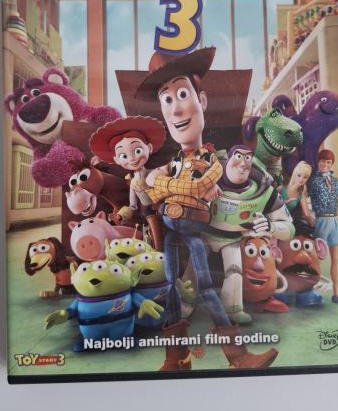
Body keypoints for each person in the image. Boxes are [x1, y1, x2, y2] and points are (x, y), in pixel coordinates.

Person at [137, 47, 278, 371]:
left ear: (201, 101)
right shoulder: (173, 162)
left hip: (194, 232)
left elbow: (199, 185)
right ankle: (176, 357)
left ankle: (238, 356)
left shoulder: (212, 160)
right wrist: (164, 185)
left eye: (181, 94)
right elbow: (152, 190)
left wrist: (166, 185)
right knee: (171, 288)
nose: (175, 108)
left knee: (206, 287)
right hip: (171, 233)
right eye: (166, 99)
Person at [202, 145, 294, 324]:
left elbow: (289, 228)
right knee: (194, 270)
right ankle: (185, 303)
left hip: (233, 239)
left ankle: (233, 309)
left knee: (235, 273)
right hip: (203, 234)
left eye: (247, 158)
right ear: (227, 159)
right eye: (238, 156)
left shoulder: (265, 192)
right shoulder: (205, 178)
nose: (243, 164)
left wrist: (271, 226)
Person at [89, 116, 166, 249]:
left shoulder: (155, 173)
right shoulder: (132, 182)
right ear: (116, 159)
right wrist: (121, 215)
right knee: (150, 236)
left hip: (161, 210)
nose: (131, 159)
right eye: (123, 156)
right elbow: (132, 206)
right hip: (146, 216)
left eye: (137, 151)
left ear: (149, 147)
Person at [307, 149, 338, 303]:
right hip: (321, 220)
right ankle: (311, 292)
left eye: (328, 162)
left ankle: (337, 294)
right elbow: (302, 195)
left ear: (332, 164)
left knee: (336, 260)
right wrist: (307, 215)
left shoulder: (335, 181)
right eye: (323, 161)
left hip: (334, 221)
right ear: (318, 161)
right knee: (316, 259)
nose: (325, 165)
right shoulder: (313, 180)